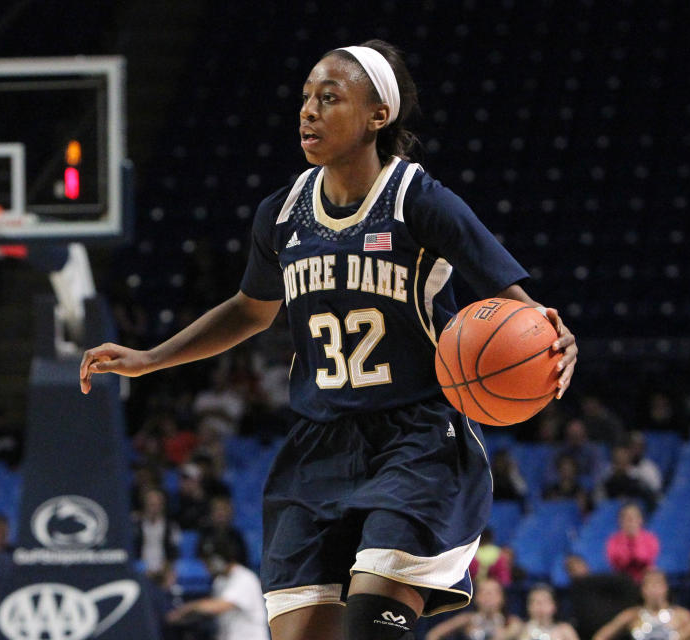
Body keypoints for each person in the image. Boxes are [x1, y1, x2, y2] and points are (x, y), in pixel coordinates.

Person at [80, 39, 578, 640]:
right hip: (316, 448)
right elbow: (250, 310)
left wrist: (555, 341)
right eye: (307, 98)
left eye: (330, 97)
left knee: (369, 627)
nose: (308, 111)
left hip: (414, 441)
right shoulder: (282, 214)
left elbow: (524, 313)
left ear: (378, 116)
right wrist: (152, 358)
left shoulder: (418, 201)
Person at [166, 534, 270, 640]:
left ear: (218, 560)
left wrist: (186, 609)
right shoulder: (219, 581)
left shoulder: (245, 578)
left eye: (208, 563)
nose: (206, 568)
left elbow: (219, 606)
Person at [592, 569, 690, 640]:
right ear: (642, 590)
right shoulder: (631, 615)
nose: (655, 589)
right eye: (650, 585)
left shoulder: (682, 615)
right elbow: (600, 636)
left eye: (658, 584)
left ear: (666, 588)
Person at [425, 579, 521, 640]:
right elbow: (433, 635)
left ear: (502, 598)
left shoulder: (511, 621)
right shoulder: (466, 619)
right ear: (476, 598)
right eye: (483, 592)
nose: (487, 597)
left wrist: (507, 633)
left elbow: (517, 630)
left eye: (492, 593)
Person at [606, 503, 660, 583]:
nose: (630, 520)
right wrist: (627, 540)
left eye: (634, 517)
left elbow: (645, 559)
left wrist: (635, 539)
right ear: (620, 521)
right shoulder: (613, 540)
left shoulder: (650, 539)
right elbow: (618, 562)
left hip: (644, 580)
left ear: (641, 519)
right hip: (622, 581)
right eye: (626, 517)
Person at [502, 584, 578, 640]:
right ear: (528, 607)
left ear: (554, 606)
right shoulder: (520, 628)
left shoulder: (565, 629)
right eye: (534, 601)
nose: (540, 605)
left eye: (544, 601)